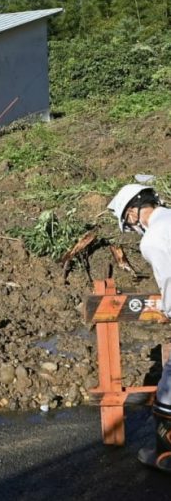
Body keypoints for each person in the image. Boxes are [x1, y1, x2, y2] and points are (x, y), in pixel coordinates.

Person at [108, 184, 171, 473]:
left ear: (134, 211)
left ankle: (165, 456)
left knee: (168, 392)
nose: (132, 226)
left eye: (128, 219)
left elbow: (169, 280)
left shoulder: (153, 239)